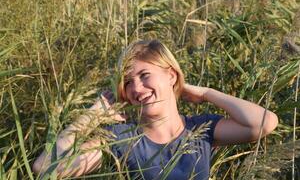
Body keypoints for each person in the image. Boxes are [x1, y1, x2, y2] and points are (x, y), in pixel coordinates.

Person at [33, 39, 278, 179]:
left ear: (171, 75)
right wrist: (92, 115)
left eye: (144, 75)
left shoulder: (199, 130)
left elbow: (264, 123)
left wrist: (205, 93)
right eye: (128, 82)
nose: (137, 88)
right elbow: (46, 169)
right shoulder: (121, 140)